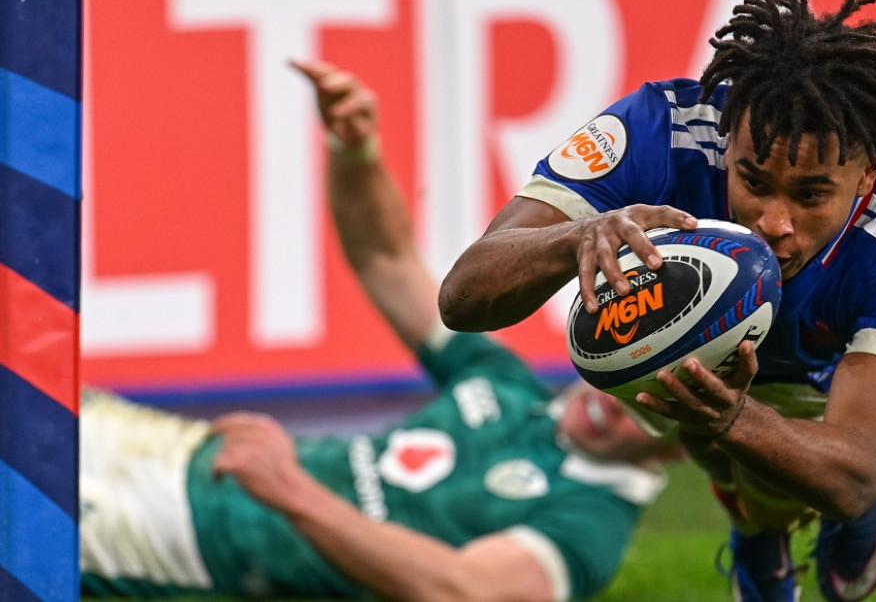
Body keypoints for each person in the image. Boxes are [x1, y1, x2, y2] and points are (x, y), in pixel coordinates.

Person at [439, 0, 876, 602]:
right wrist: (574, 238)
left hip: (811, 375)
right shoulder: (655, 132)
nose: (775, 223)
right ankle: (756, 536)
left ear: (864, 177)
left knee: (808, 478)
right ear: (726, 137)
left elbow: (856, 469)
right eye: (753, 180)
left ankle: (772, 527)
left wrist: (738, 417)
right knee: (700, 425)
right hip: (670, 312)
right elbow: (462, 298)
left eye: (810, 195)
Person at [79, 59, 686, 602]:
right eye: (620, 369)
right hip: (176, 452)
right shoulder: (507, 386)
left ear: (679, 444)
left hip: (183, 547)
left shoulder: (589, 525)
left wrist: (291, 491)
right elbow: (387, 261)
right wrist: (354, 154)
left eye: (644, 405)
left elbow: (463, 590)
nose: (615, 406)